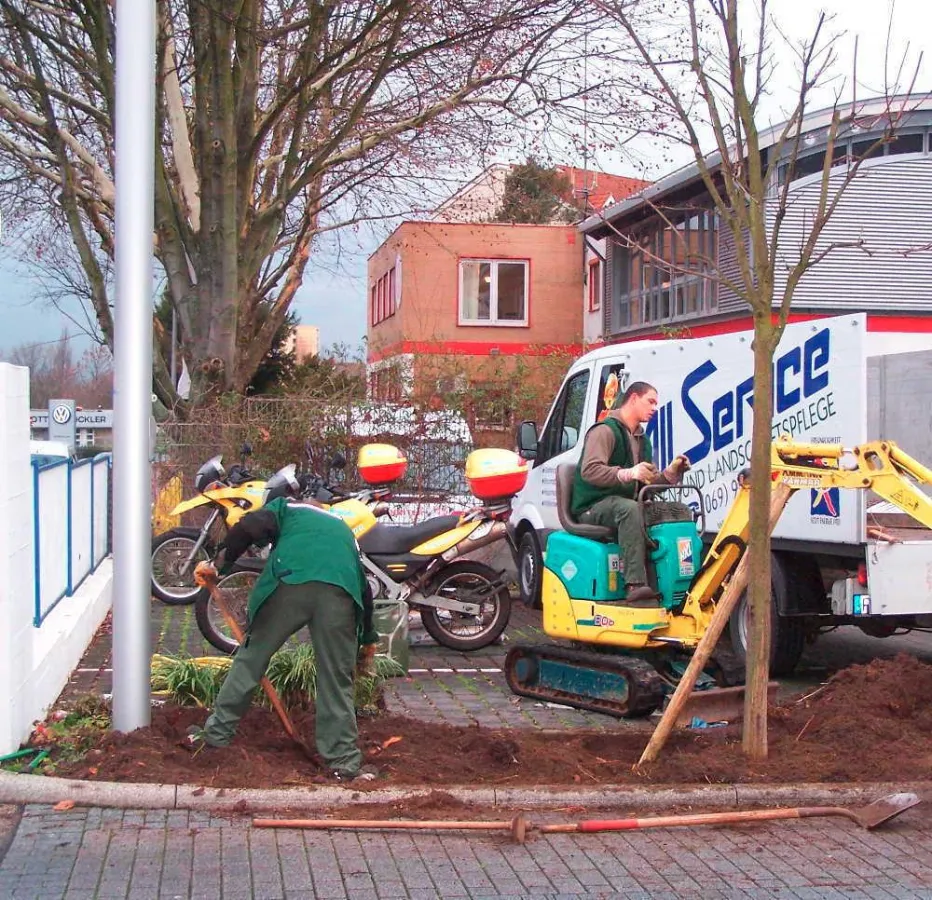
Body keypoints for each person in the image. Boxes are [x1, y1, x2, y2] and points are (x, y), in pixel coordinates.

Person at [184, 468, 380, 782]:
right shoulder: (343, 529)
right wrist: (368, 637)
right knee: (336, 677)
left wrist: (217, 565)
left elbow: (248, 526)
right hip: (340, 595)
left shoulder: (286, 508)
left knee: (251, 659)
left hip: (290, 584)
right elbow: (364, 588)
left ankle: (216, 736)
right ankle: (342, 762)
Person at [571, 381, 690, 607]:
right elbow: (590, 471)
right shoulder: (605, 431)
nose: (655, 407)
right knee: (629, 509)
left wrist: (671, 473)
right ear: (634, 398)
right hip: (592, 506)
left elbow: (646, 483)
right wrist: (628, 473)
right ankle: (635, 584)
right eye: (651, 401)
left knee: (678, 511)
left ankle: (674, 583)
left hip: (624, 504)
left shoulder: (642, 440)